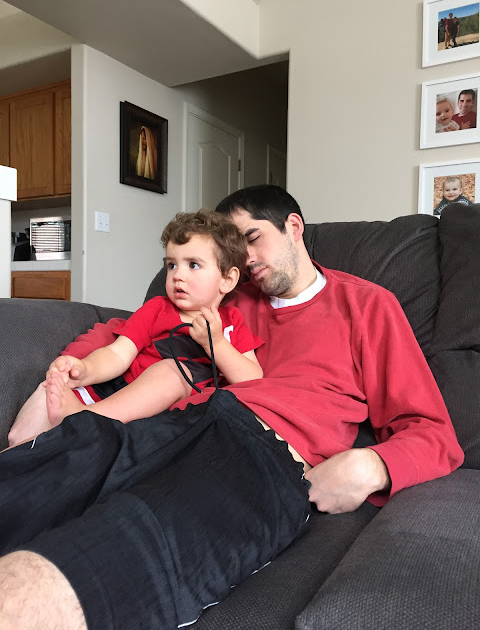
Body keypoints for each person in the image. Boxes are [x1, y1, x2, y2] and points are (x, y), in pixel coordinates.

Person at [0, 185, 464, 630]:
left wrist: (370, 466)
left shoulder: (367, 305)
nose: (245, 259)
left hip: (259, 453)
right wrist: (63, 373)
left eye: (253, 238)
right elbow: (127, 328)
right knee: (31, 483)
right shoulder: (229, 296)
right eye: (234, 250)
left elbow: (432, 431)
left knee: (78, 570)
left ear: (293, 227)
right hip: (171, 425)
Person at [8, 209, 264, 444]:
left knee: (173, 372)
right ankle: (24, 452)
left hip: (161, 413)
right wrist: (84, 370)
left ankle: (86, 419)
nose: (178, 275)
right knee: (36, 414)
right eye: (171, 265)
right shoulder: (157, 309)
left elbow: (252, 379)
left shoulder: (231, 323)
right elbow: (118, 353)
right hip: (116, 392)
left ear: (228, 279)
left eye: (193, 265)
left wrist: (215, 343)